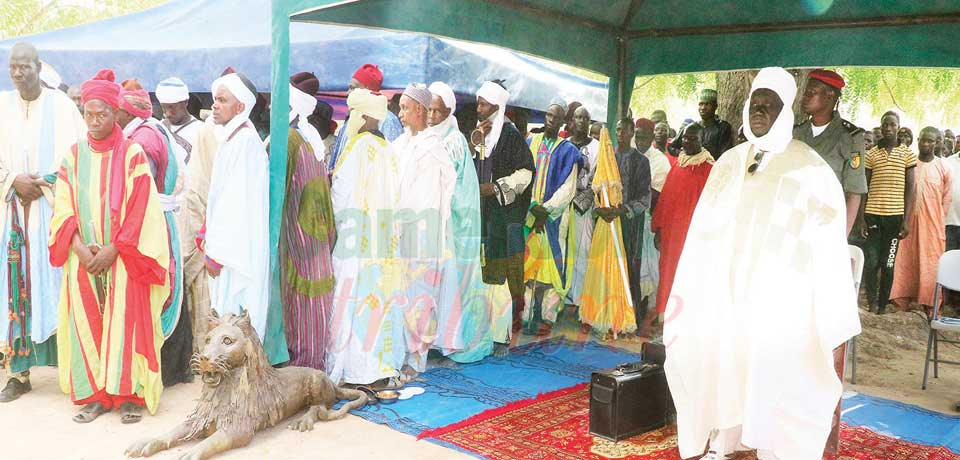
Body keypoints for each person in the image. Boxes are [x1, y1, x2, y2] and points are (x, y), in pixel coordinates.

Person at [663, 66, 861, 460]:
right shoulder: (729, 163)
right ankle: (725, 441)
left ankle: (773, 448)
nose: (759, 111)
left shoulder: (810, 171)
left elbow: (822, 241)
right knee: (716, 354)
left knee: (778, 368)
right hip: (727, 292)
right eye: (755, 103)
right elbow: (704, 232)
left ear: (785, 111)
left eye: (769, 106)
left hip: (780, 301)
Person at [49, 68, 171, 424]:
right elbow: (63, 205)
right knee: (88, 321)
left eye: (103, 113)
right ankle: (96, 394)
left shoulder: (132, 154)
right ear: (83, 113)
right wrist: (80, 249)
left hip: (122, 255)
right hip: (83, 256)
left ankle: (128, 392)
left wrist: (113, 250)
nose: (96, 120)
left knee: (126, 321)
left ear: (116, 113)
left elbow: (140, 210)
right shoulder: (72, 156)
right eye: (90, 114)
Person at [0, 42, 85, 403]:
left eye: (25, 67)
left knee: (59, 287)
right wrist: (11, 181)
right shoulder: (2, 106)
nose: (18, 73)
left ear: (39, 66)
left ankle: (70, 370)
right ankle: (18, 374)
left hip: (52, 213)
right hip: (11, 217)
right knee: (15, 289)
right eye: (13, 67)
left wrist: (44, 182)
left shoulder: (63, 108)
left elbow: (79, 156)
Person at [198, 71, 287, 363]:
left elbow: (236, 208)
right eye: (215, 100)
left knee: (236, 320)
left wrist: (217, 253)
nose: (215, 106)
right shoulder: (234, 139)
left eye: (222, 101)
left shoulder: (245, 142)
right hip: (229, 248)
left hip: (236, 252)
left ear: (240, 107)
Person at [326, 88, 408, 386]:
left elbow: (340, 196)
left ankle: (355, 372)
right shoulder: (389, 149)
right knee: (380, 304)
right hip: (383, 244)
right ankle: (378, 370)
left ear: (359, 116)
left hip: (356, 244)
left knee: (355, 301)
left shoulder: (356, 147)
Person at [116, 79, 190, 386]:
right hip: (163, 218)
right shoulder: (152, 130)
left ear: (125, 112)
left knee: (157, 292)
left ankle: (163, 371)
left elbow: (138, 190)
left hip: (151, 222)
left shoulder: (141, 140)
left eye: (114, 110)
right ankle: (177, 369)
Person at [426, 81, 501, 364]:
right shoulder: (431, 137)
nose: (432, 116)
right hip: (436, 223)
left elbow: (453, 188)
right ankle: (438, 340)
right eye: (430, 110)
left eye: (437, 111)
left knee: (456, 283)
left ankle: (461, 343)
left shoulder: (454, 141)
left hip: (455, 225)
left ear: (449, 112)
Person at [392, 83, 457, 373]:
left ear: (419, 109)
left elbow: (426, 200)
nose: (400, 113)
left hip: (421, 233)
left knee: (420, 294)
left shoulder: (432, 149)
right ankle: (400, 352)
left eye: (405, 108)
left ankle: (416, 358)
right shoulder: (401, 144)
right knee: (400, 293)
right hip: (399, 231)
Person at [469, 81, 535, 354]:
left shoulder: (510, 135)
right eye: (478, 103)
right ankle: (483, 332)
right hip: (484, 216)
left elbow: (526, 173)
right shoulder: (483, 133)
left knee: (502, 277)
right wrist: (475, 142)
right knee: (484, 275)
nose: (479, 108)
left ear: (496, 106)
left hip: (504, 216)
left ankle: (500, 336)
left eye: (483, 104)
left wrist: (495, 188)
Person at [279, 73, 336, 370]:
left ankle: (301, 373)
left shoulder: (290, 139)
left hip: (298, 242)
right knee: (313, 312)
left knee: (300, 311)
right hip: (318, 245)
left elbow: (277, 194)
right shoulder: (310, 139)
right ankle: (312, 369)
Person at [522, 102, 582, 336]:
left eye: (556, 117)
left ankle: (546, 315)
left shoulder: (568, 151)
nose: (550, 120)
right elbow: (523, 176)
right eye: (548, 114)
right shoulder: (530, 143)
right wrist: (532, 207)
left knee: (550, 268)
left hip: (553, 219)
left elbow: (568, 188)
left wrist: (545, 210)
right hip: (530, 214)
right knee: (529, 266)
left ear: (563, 122)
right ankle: (527, 314)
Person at [793, 69, 867, 235]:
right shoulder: (796, 133)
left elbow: (854, 192)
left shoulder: (850, 137)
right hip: (794, 219)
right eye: (805, 92)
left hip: (827, 224)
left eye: (812, 92)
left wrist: (842, 237)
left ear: (830, 96)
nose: (805, 97)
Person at [579, 127, 637, 338]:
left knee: (614, 265)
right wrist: (600, 210)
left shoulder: (618, 168)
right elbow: (593, 198)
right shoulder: (597, 169)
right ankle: (597, 314)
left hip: (615, 224)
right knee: (601, 266)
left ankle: (615, 315)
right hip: (604, 225)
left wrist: (616, 209)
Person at [651, 123, 712, 317]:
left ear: (702, 141)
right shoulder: (678, 163)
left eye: (693, 138)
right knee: (667, 273)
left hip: (691, 237)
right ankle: (662, 315)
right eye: (685, 137)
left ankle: (680, 319)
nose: (687, 141)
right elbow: (665, 198)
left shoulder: (709, 169)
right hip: (670, 234)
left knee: (686, 276)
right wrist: (659, 229)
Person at [890, 127, 952, 313]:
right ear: (917, 140)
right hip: (907, 222)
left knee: (931, 262)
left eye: (930, 141)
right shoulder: (909, 163)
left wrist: (938, 222)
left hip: (933, 225)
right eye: (923, 140)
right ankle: (901, 300)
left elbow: (946, 199)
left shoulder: (943, 167)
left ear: (937, 143)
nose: (925, 144)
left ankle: (930, 304)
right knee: (905, 258)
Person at [862, 111, 917, 314]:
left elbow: (910, 188)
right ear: (881, 126)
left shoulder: (907, 155)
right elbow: (864, 187)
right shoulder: (871, 155)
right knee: (872, 262)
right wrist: (861, 219)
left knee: (888, 263)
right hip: (873, 215)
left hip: (895, 219)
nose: (888, 128)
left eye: (892, 125)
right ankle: (872, 302)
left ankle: (883, 305)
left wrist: (906, 220)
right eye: (885, 124)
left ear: (898, 127)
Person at [326, 63, 404, 173]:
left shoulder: (387, 121)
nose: (348, 93)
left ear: (366, 89)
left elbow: (391, 167)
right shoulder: (351, 119)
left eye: (352, 88)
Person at [633, 118, 668, 334]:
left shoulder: (659, 161)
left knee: (652, 269)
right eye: (637, 136)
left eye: (644, 136)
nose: (640, 140)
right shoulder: (630, 155)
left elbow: (654, 194)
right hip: (630, 221)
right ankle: (637, 314)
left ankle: (652, 315)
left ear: (652, 136)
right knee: (636, 270)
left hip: (648, 222)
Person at [566, 106, 600, 312]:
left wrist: (584, 200)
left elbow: (598, 176)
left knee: (582, 251)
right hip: (562, 205)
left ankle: (579, 300)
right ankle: (564, 295)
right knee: (564, 250)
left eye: (585, 118)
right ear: (571, 121)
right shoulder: (565, 144)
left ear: (589, 122)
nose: (581, 121)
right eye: (578, 117)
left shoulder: (596, 146)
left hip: (584, 206)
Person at [672, 89, 733, 160]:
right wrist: (685, 155)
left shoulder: (722, 127)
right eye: (701, 104)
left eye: (707, 104)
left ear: (715, 106)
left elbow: (725, 155)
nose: (703, 108)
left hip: (712, 168)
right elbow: (672, 147)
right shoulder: (691, 127)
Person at [155, 77, 201, 154]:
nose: (168, 113)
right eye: (164, 108)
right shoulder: (158, 128)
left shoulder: (201, 130)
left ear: (185, 102)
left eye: (172, 107)